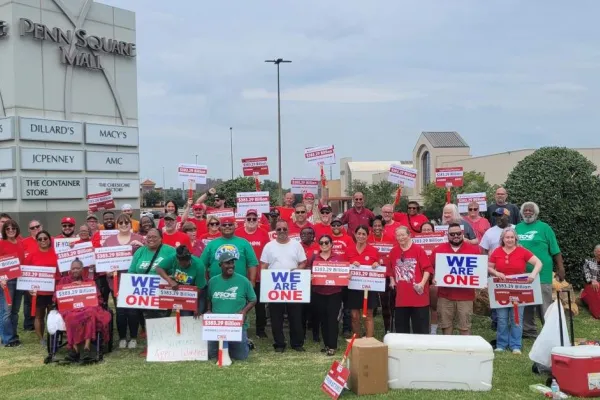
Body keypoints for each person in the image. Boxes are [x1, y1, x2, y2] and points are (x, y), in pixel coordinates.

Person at [488, 227, 542, 354]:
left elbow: (538, 263)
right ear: (503, 239)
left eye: (512, 237)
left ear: (515, 239)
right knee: (501, 318)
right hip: (501, 289)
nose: (510, 240)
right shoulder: (497, 251)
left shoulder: (522, 251)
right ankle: (501, 344)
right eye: (507, 237)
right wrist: (496, 272)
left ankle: (515, 345)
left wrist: (532, 275)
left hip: (518, 290)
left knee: (516, 317)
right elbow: (489, 267)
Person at [516, 201, 564, 338]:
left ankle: (548, 331)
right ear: (521, 213)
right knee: (526, 303)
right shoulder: (517, 228)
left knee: (544, 303)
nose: (528, 212)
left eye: (530, 210)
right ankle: (528, 331)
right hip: (523, 274)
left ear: (536, 213)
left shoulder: (545, 228)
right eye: (525, 210)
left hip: (542, 273)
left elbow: (555, 250)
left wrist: (561, 268)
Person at [260, 220, 307, 352]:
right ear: (275, 231)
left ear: (288, 230)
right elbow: (263, 265)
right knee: (276, 317)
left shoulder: (296, 245)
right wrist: (266, 281)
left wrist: (298, 269)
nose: (281, 231)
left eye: (284, 229)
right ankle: (279, 344)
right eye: (279, 229)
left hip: (293, 285)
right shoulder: (269, 246)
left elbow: (303, 262)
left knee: (295, 316)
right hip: (276, 286)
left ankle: (297, 343)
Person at [127, 228, 177, 351]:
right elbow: (132, 271)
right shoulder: (140, 251)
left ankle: (161, 345)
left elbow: (176, 269)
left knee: (160, 318)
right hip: (144, 292)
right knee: (148, 318)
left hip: (163, 291)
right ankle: (151, 345)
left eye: (154, 237)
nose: (151, 239)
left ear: (161, 238)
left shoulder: (169, 251)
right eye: (149, 237)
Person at [54, 259, 112, 362]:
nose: (75, 270)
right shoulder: (64, 281)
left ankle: (86, 348)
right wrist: (72, 287)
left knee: (90, 313)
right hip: (70, 309)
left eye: (77, 268)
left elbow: (97, 299)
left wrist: (81, 286)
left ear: (82, 269)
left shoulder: (89, 282)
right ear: (70, 270)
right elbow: (57, 298)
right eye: (73, 268)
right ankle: (75, 350)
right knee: (71, 317)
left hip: (87, 308)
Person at [207, 251, 256, 363]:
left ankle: (247, 343)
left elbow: (253, 299)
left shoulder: (243, 281)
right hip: (217, 325)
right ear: (220, 265)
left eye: (232, 263)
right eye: (227, 263)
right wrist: (209, 310)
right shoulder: (213, 281)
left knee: (240, 356)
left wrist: (244, 311)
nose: (231, 265)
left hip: (236, 325)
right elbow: (208, 298)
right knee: (212, 355)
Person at [431, 223, 480, 336]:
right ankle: (449, 350)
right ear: (447, 235)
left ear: (462, 234)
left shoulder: (473, 250)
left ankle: (465, 350)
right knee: (446, 326)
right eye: (452, 234)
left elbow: (478, 269)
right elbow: (430, 267)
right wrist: (433, 276)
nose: (455, 236)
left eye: (458, 233)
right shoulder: (439, 249)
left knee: (465, 327)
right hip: (445, 295)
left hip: (466, 296)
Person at [105, 214, 145, 349]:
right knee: (120, 310)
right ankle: (122, 337)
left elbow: (149, 254)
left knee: (133, 311)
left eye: (126, 222)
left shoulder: (138, 238)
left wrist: (141, 245)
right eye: (120, 222)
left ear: (130, 223)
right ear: (117, 224)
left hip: (133, 280)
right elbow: (102, 260)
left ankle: (133, 337)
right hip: (116, 281)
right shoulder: (109, 241)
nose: (123, 225)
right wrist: (107, 271)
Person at [387, 226, 433, 334]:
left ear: (409, 235)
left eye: (403, 235)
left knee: (421, 330)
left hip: (419, 297)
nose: (401, 237)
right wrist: (392, 280)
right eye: (398, 235)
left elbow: (427, 269)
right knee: (401, 330)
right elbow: (390, 270)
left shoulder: (418, 250)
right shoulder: (393, 251)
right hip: (402, 298)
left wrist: (422, 283)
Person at [235, 210, 270, 338]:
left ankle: (260, 330)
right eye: (248, 218)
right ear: (244, 220)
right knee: (240, 303)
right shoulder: (238, 233)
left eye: (254, 219)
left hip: (260, 275)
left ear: (258, 220)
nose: (251, 221)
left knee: (259, 304)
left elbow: (268, 252)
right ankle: (239, 326)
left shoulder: (263, 233)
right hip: (241, 275)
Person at [309, 234, 345, 355]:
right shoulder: (315, 258)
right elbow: (309, 271)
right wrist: (310, 277)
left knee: (332, 319)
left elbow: (344, 272)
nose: (324, 245)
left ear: (331, 244)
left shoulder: (338, 258)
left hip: (334, 293)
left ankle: (333, 346)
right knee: (323, 319)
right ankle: (326, 344)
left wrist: (346, 275)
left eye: (326, 242)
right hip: (319, 292)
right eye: (322, 243)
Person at [24, 230, 60, 345]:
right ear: (37, 241)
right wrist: (28, 288)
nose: (43, 241)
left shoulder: (56, 254)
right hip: (37, 292)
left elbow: (60, 273)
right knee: (39, 316)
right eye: (40, 239)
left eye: (45, 238)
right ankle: (41, 339)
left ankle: (52, 337)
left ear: (50, 240)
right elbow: (25, 272)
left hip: (52, 290)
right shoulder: (31, 255)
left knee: (52, 316)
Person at [199, 216, 258, 283]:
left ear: (235, 226)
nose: (227, 226)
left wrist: (252, 281)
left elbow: (252, 263)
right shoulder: (211, 244)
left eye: (230, 224)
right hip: (216, 284)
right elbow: (202, 264)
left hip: (239, 284)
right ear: (220, 227)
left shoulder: (244, 243)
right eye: (224, 225)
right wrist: (206, 282)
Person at [348, 226, 380, 338]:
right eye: (359, 233)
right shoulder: (349, 249)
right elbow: (343, 267)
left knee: (368, 314)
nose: (361, 236)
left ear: (367, 236)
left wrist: (376, 265)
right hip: (353, 287)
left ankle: (369, 340)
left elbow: (379, 268)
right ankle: (357, 339)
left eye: (363, 234)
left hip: (368, 287)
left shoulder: (373, 250)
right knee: (354, 315)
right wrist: (350, 266)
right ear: (355, 234)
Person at [157, 245, 207, 316]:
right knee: (185, 316)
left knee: (198, 315)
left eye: (185, 264)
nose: (183, 265)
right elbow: (159, 268)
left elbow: (199, 288)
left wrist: (195, 305)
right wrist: (170, 281)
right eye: (180, 263)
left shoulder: (199, 265)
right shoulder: (173, 257)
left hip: (198, 291)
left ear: (190, 260)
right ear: (177, 259)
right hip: (183, 290)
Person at [0, 219, 25, 347]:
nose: (10, 231)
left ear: (17, 230)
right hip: (7, 281)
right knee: (7, 311)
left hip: (20, 280)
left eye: (13, 228)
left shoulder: (20, 243)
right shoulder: (1, 243)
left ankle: (14, 336)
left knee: (15, 311)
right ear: (4, 231)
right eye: (7, 229)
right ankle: (7, 339)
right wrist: (1, 278)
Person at [367, 216, 394, 333]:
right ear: (371, 228)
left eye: (379, 225)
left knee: (386, 304)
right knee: (370, 305)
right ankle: (368, 329)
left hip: (386, 275)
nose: (377, 228)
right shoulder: (367, 239)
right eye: (375, 226)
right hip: (371, 276)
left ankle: (388, 329)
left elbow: (394, 257)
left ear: (383, 227)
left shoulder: (390, 238)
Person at [300, 226, 320, 342]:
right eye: (302, 234)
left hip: (315, 281)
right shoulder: (297, 246)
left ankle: (316, 334)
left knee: (315, 309)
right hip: (301, 281)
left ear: (312, 236)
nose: (303, 236)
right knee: (302, 310)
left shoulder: (318, 246)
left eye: (307, 234)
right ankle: (301, 333)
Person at [581, 245, 600, 319]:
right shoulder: (588, 261)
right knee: (596, 289)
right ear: (594, 252)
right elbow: (586, 273)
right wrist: (592, 280)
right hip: (591, 284)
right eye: (598, 252)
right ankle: (598, 313)